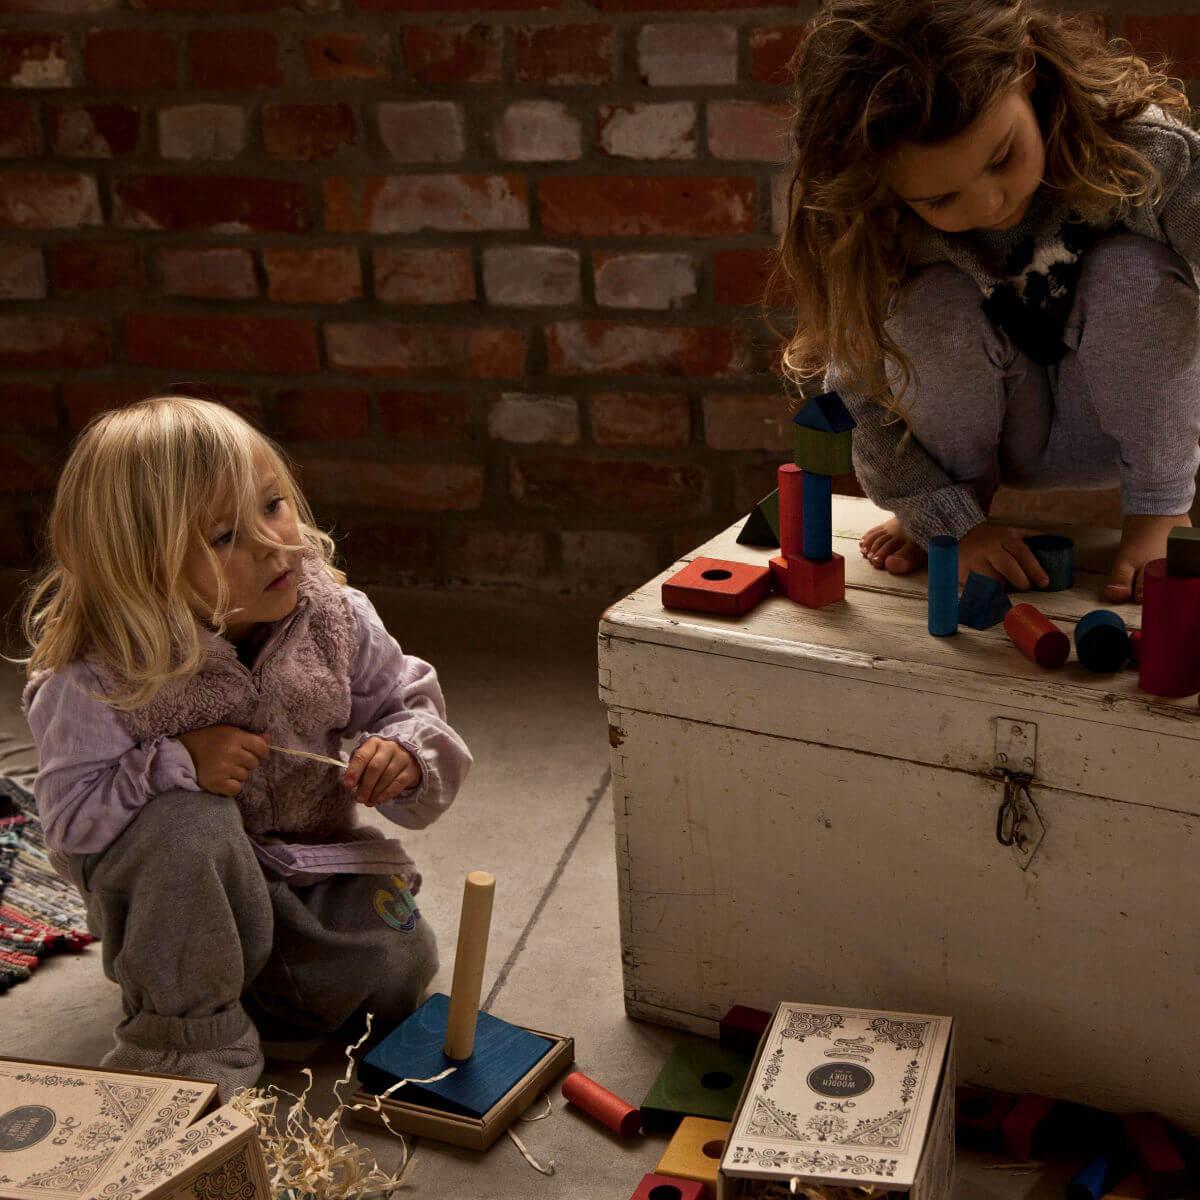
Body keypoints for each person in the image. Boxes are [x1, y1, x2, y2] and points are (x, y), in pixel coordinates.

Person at [18, 395, 472, 1100]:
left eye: (273, 505)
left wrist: (404, 752)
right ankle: (184, 1033)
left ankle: (239, 982)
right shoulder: (96, 675)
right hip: (174, 893)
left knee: (400, 965)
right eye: (226, 536)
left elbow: (409, 705)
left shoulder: (333, 616)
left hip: (301, 868)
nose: (272, 543)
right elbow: (72, 825)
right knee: (190, 819)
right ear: (142, 568)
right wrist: (175, 765)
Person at [771, 0, 1200, 601]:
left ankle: (1159, 512)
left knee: (1133, 269)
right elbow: (861, 398)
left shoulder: (1141, 150)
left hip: (1127, 421)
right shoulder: (880, 226)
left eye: (1002, 158)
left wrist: (1161, 491)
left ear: (1025, 67)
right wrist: (941, 515)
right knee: (931, 305)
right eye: (943, 199)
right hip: (984, 435)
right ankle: (959, 504)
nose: (990, 204)